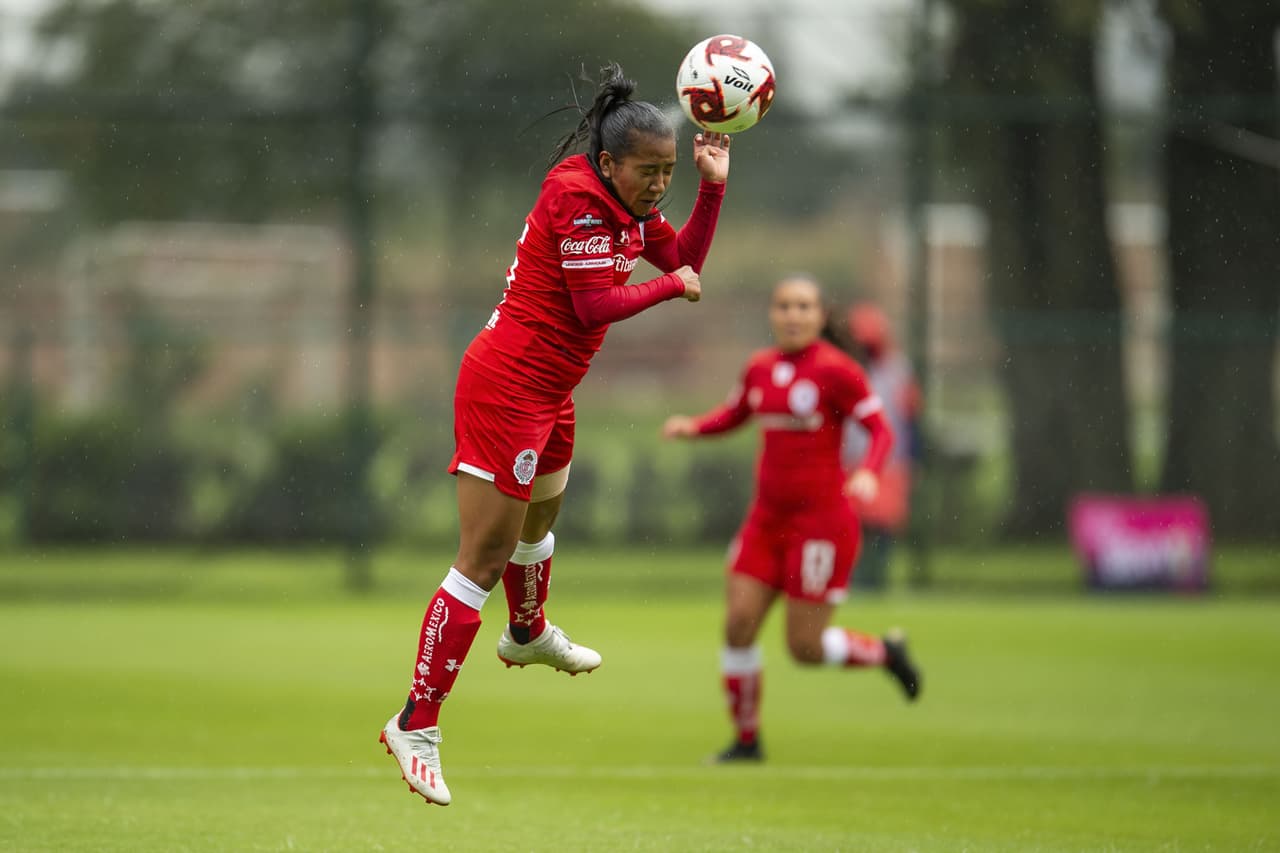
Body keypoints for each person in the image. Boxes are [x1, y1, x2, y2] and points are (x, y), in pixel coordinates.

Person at [378, 64, 733, 806]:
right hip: (505, 386)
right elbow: (595, 303)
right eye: (650, 171)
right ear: (610, 164)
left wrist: (712, 184)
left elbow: (686, 260)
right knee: (481, 556)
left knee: (541, 520)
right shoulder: (575, 195)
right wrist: (671, 286)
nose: (658, 184)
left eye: (668, 171)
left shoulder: (632, 203)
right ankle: (417, 721)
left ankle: (529, 633)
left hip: (550, 392)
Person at [662, 274, 921, 763]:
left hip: (821, 527)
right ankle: (746, 741)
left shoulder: (837, 371)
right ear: (772, 314)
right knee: (738, 624)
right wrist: (693, 426)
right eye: (784, 306)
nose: (793, 315)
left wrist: (868, 473)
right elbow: (737, 412)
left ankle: (886, 653)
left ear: (821, 316)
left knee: (805, 648)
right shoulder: (760, 368)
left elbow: (880, 429)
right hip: (765, 522)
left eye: (804, 307)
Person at [842, 302, 923, 590]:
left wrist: (914, 458)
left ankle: (876, 580)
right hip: (849, 460)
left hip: (890, 461)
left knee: (883, 525)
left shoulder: (898, 370)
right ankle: (850, 579)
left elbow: (911, 417)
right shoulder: (843, 368)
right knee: (850, 523)